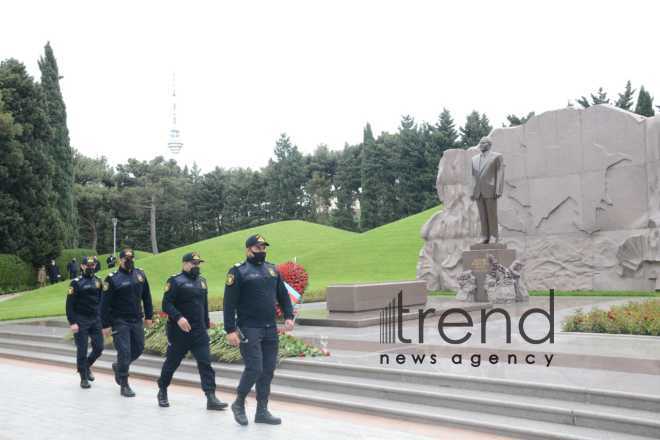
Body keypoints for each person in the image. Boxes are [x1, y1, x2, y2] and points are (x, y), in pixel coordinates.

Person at [223, 234, 295, 426]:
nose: (261, 251)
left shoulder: (272, 269)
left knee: (268, 370)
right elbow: (228, 304)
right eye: (257, 248)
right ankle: (239, 403)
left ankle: (262, 411)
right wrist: (230, 330)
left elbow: (283, 295)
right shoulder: (238, 271)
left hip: (270, 327)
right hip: (249, 328)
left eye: (263, 248)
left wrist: (289, 315)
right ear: (248, 250)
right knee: (255, 368)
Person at [156, 252, 227, 411]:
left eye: (198, 263)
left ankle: (211, 397)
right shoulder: (175, 281)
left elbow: (204, 305)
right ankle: (162, 390)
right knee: (172, 363)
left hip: (199, 332)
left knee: (205, 363)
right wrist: (179, 317)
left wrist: (207, 325)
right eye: (193, 263)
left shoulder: (202, 282)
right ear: (185, 264)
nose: (196, 266)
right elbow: (166, 304)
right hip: (179, 331)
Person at [101, 248, 153, 397]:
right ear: (120, 260)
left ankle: (119, 367)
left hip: (136, 319)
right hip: (119, 321)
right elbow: (104, 305)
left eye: (131, 258)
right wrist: (105, 325)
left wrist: (149, 316)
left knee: (139, 348)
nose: (129, 261)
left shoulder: (140, 275)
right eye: (126, 258)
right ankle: (124, 384)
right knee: (124, 352)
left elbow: (147, 297)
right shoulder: (112, 278)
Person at [66, 256, 104, 389]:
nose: (90, 267)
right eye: (87, 265)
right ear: (82, 266)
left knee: (99, 348)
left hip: (95, 319)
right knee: (82, 349)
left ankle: (86, 366)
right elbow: (69, 305)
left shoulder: (98, 281)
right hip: (80, 320)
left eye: (92, 265)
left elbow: (101, 301)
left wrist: (102, 319)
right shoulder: (75, 283)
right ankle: (83, 377)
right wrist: (73, 322)